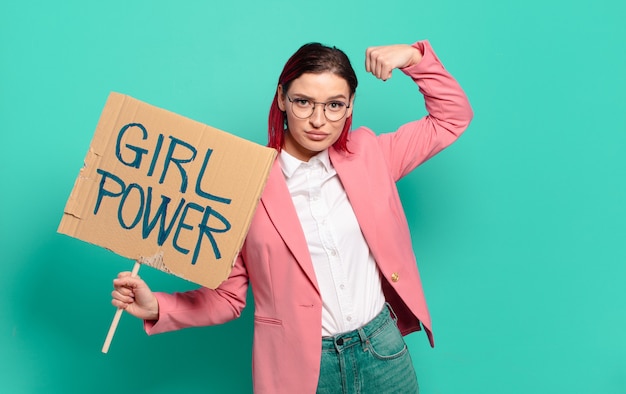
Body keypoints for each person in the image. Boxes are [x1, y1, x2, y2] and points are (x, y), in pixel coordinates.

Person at [111, 38, 473, 393]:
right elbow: (227, 299)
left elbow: (452, 118)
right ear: (282, 98)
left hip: (382, 352)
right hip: (302, 370)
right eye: (303, 102)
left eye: (334, 105)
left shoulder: (371, 155)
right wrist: (157, 305)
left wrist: (413, 58)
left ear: (350, 107)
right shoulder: (245, 185)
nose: (319, 120)